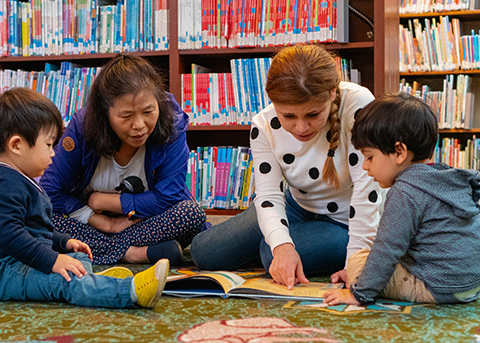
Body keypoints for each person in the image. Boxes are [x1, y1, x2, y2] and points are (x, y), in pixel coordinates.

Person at [191, 44, 385, 289]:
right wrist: (282, 243)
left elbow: (367, 192)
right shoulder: (263, 124)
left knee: (269, 252)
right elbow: (269, 195)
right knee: (205, 252)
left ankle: (290, 242)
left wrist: (356, 261)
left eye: (313, 115)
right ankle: (289, 237)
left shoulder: (359, 103)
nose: (301, 128)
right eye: (289, 116)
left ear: (332, 93)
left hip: (346, 219)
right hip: (299, 205)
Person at [0, 87, 170, 309]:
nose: (53, 153)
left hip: (27, 261)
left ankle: (94, 282)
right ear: (17, 145)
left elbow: (36, 228)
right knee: (68, 280)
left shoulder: (21, 179)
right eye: (49, 144)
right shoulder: (7, 183)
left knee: (77, 256)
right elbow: (9, 234)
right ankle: (129, 292)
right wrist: (53, 260)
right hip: (10, 270)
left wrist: (63, 242)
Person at [40, 54, 207, 266]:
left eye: (148, 111)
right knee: (35, 219)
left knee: (190, 215)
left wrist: (102, 201)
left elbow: (168, 197)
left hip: (143, 224)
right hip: (88, 224)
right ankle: (134, 254)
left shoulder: (172, 126)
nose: (139, 125)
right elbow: (49, 193)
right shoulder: (82, 128)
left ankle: (101, 249)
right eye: (126, 116)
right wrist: (99, 220)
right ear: (105, 113)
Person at [323, 92, 480, 305]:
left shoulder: (405, 191)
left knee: (359, 260)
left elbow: (387, 247)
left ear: (399, 152)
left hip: (438, 288)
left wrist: (358, 292)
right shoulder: (447, 178)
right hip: (471, 285)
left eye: (369, 157)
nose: (365, 166)